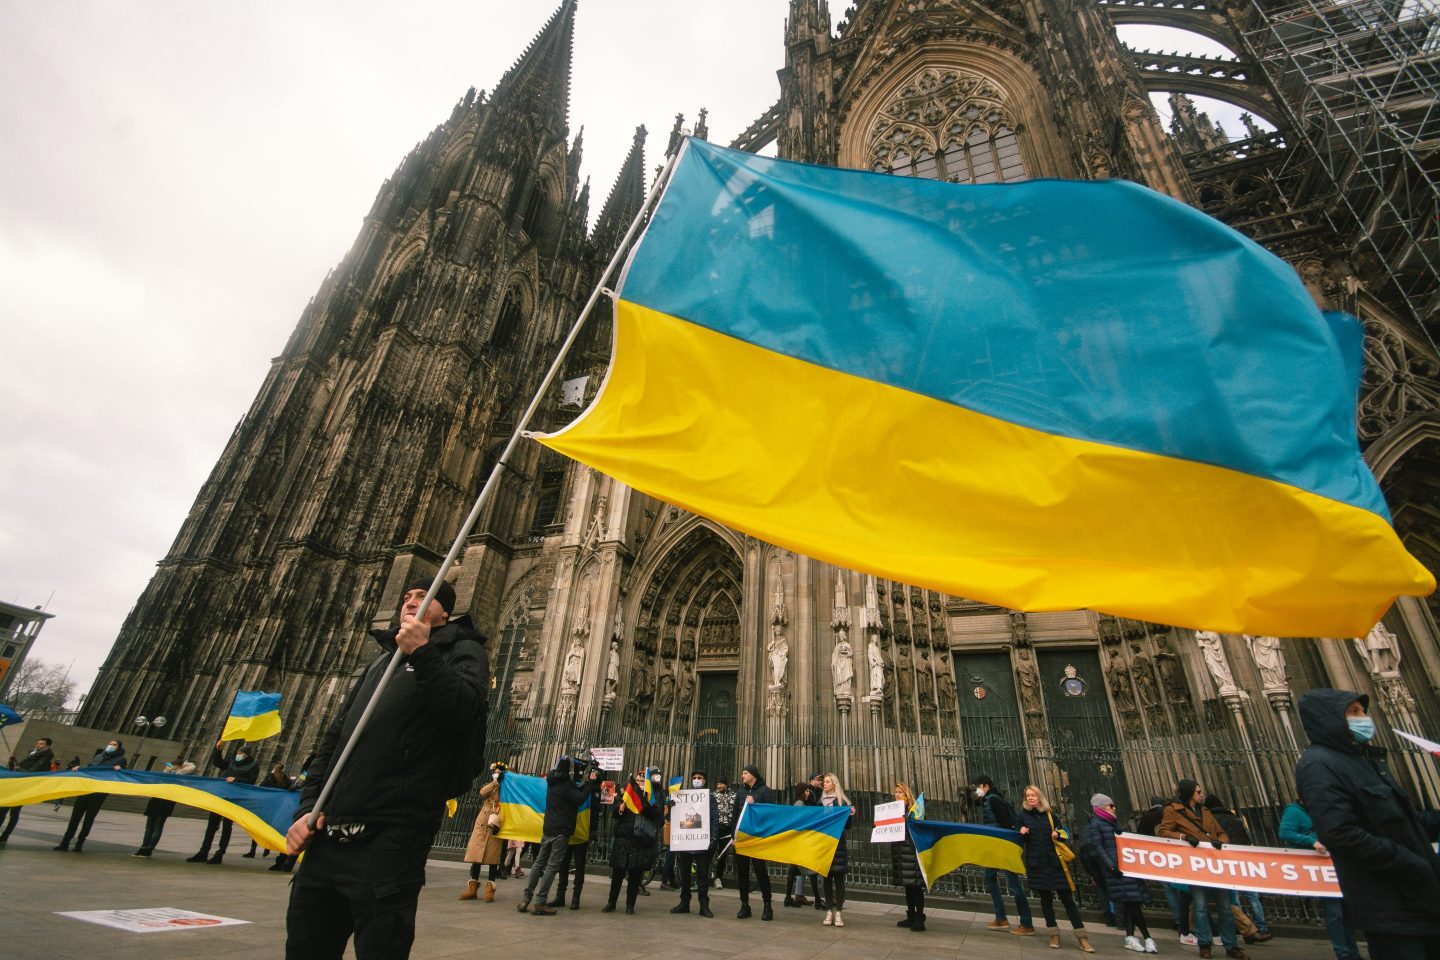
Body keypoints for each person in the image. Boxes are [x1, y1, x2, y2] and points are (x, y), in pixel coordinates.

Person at [283, 577, 488, 960]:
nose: (410, 601)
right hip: (327, 839)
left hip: (390, 839)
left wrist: (422, 652)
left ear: (445, 611)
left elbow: (464, 712)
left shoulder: (462, 651)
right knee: (305, 948)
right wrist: (306, 810)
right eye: (407, 596)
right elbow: (333, 744)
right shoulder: (380, 662)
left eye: (423, 596)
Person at [1295, 688, 1440, 960]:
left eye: (1363, 711)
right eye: (1353, 712)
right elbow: (1339, 833)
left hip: (1421, 898)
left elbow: (1405, 822)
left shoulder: (1365, 760)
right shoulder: (1319, 765)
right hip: (1390, 905)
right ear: (1329, 718)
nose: (1363, 717)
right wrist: (1408, 862)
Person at [1159, 779, 1247, 960]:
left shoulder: (1206, 811)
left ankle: (1231, 945)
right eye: (1198, 792)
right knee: (1199, 907)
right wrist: (1183, 837)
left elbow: (1221, 832)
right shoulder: (1173, 810)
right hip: (1195, 866)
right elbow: (1164, 831)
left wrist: (1220, 841)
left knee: (1225, 907)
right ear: (1189, 793)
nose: (1201, 795)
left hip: (1214, 865)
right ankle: (1204, 944)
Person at [1278, 797, 1360, 960]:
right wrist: (1311, 841)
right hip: (1317, 866)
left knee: (1347, 912)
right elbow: (1285, 832)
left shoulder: (1320, 808)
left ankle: (1353, 952)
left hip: (1335, 862)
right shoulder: (1293, 811)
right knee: (1335, 912)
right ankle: (1343, 953)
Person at [1017, 783, 1095, 953]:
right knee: (1046, 901)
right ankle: (1054, 934)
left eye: (1033, 795)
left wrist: (1058, 834)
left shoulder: (1051, 815)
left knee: (1068, 900)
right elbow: (1018, 838)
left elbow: (1065, 833)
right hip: (1037, 863)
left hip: (1055, 862)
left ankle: (1082, 937)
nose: (1030, 798)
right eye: (1028, 796)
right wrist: (1020, 832)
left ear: (1039, 797)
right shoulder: (1022, 816)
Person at [517, 755, 598, 915]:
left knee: (538, 863)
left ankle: (526, 899)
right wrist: (590, 783)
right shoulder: (566, 785)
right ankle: (540, 902)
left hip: (548, 828)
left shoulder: (552, 781)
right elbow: (579, 799)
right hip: (561, 830)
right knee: (552, 866)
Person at [1085, 793, 1155, 953]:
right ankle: (1147, 938)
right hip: (1116, 868)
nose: (1114, 808)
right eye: (1111, 805)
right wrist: (1111, 866)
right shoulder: (1097, 824)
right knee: (1133, 902)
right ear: (1102, 807)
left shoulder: (1111, 822)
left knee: (1131, 903)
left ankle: (1131, 937)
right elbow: (1098, 847)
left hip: (1126, 865)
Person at [1203, 794, 1273, 944]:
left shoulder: (1211, 820)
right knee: (1252, 895)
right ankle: (1261, 926)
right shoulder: (1234, 818)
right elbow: (1247, 839)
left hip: (1226, 860)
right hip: (1243, 859)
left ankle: (1242, 928)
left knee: (1233, 898)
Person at [974, 776, 1034, 936]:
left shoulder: (993, 800)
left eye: (978, 787)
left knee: (1014, 883)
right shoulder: (990, 799)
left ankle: (1026, 923)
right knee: (989, 877)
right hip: (994, 846)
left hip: (1001, 846)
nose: (976, 790)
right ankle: (1001, 918)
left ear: (985, 786)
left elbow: (1005, 822)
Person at [187, 739, 260, 864]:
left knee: (227, 826)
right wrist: (219, 750)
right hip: (221, 795)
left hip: (234, 798)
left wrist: (236, 779)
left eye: (240, 753)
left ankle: (220, 853)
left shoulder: (253, 765)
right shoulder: (233, 762)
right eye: (238, 752)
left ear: (246, 755)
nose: (238, 755)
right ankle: (203, 851)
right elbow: (218, 762)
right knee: (211, 825)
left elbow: (251, 781)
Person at [605, 769, 663, 914]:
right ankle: (611, 903)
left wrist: (642, 806)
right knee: (617, 875)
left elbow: (656, 813)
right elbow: (615, 813)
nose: (639, 782)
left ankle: (630, 905)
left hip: (639, 841)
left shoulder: (649, 797)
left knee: (635, 876)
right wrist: (620, 809)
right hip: (622, 840)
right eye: (637, 780)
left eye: (642, 781)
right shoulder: (626, 793)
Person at [53, 738, 127, 852]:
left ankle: (80, 843)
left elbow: (122, 774)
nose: (111, 746)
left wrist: (120, 769)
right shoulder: (99, 756)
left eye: (114, 745)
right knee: (75, 817)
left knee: (89, 819)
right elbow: (90, 768)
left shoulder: (121, 759)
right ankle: (65, 842)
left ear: (119, 748)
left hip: (99, 792)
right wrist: (80, 768)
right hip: (86, 789)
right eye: (110, 744)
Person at [669, 769, 719, 918]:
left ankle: (704, 905)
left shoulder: (709, 797)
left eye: (700, 778)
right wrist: (672, 806)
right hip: (685, 841)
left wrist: (714, 837)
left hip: (701, 842)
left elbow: (714, 818)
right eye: (695, 777)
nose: (697, 780)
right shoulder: (684, 796)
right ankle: (684, 903)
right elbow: (676, 817)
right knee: (684, 875)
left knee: (702, 875)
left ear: (704, 781)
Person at [551, 764, 598, 910]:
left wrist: (593, 830)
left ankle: (575, 898)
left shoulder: (592, 787)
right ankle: (560, 895)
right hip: (568, 829)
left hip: (582, 831)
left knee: (579, 865)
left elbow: (595, 810)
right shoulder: (567, 785)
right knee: (563, 864)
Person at [733, 763, 777, 920]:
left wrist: (755, 804)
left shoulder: (765, 791)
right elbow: (735, 815)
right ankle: (744, 904)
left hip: (757, 838)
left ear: (753, 774)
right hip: (742, 838)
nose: (742, 775)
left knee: (760, 871)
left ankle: (767, 905)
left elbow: (770, 814)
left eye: (745, 773)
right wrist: (733, 836)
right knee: (742, 872)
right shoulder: (740, 792)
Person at [460, 762, 507, 903]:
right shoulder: (490, 785)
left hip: (496, 820)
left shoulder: (505, 788)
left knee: (493, 856)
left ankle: (490, 889)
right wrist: (495, 782)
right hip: (483, 820)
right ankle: (472, 888)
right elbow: (482, 792)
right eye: (495, 772)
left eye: (499, 773)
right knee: (476, 854)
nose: (497, 774)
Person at [133, 759, 197, 857]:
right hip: (155, 801)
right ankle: (143, 847)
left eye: (174, 765)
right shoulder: (165, 774)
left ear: (180, 766)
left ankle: (149, 848)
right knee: (149, 828)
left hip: (167, 803)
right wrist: (168, 769)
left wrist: (181, 767)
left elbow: (192, 767)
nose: (172, 767)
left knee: (157, 828)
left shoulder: (181, 776)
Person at [818, 772, 856, 927]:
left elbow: (848, 826)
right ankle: (829, 910)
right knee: (826, 879)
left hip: (838, 845)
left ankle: (838, 912)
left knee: (839, 879)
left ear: (834, 784)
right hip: (824, 844)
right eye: (824, 782)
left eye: (827, 781)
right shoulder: (820, 803)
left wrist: (850, 815)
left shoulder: (841, 803)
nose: (824, 784)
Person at [0, 736, 53, 843]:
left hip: (24, 788)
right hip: (16, 785)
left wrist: (19, 768)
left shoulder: (46, 757)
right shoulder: (33, 753)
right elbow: (16, 769)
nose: (38, 745)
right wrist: (13, 762)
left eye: (41, 744)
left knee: (14, 813)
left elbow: (33, 772)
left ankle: (5, 836)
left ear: (47, 746)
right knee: (2, 810)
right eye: (38, 743)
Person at [890, 782, 926, 932]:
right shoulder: (892, 810)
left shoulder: (914, 810)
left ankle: (919, 918)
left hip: (911, 851)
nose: (897, 795)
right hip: (900, 851)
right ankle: (911, 915)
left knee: (916, 886)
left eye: (900, 792)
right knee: (908, 886)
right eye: (896, 792)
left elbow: (920, 826)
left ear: (906, 794)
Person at [784, 781, 822, 908]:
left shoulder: (799, 804)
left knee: (793, 870)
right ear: (801, 792)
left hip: (798, 842)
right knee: (812, 870)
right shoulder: (800, 804)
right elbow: (801, 823)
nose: (808, 793)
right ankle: (817, 900)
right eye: (806, 791)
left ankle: (788, 898)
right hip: (802, 842)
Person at [244, 761, 291, 858]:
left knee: (258, 828)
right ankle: (267, 848)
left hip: (266, 806)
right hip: (278, 807)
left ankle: (253, 850)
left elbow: (262, 786)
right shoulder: (285, 779)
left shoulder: (270, 778)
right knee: (271, 828)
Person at [711, 775, 735, 887]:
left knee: (722, 854)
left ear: (726, 784)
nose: (719, 786)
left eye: (721, 784)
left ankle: (718, 877)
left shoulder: (733, 796)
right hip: (714, 828)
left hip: (727, 829)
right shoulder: (712, 795)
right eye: (718, 784)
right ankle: (707, 874)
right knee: (710, 851)